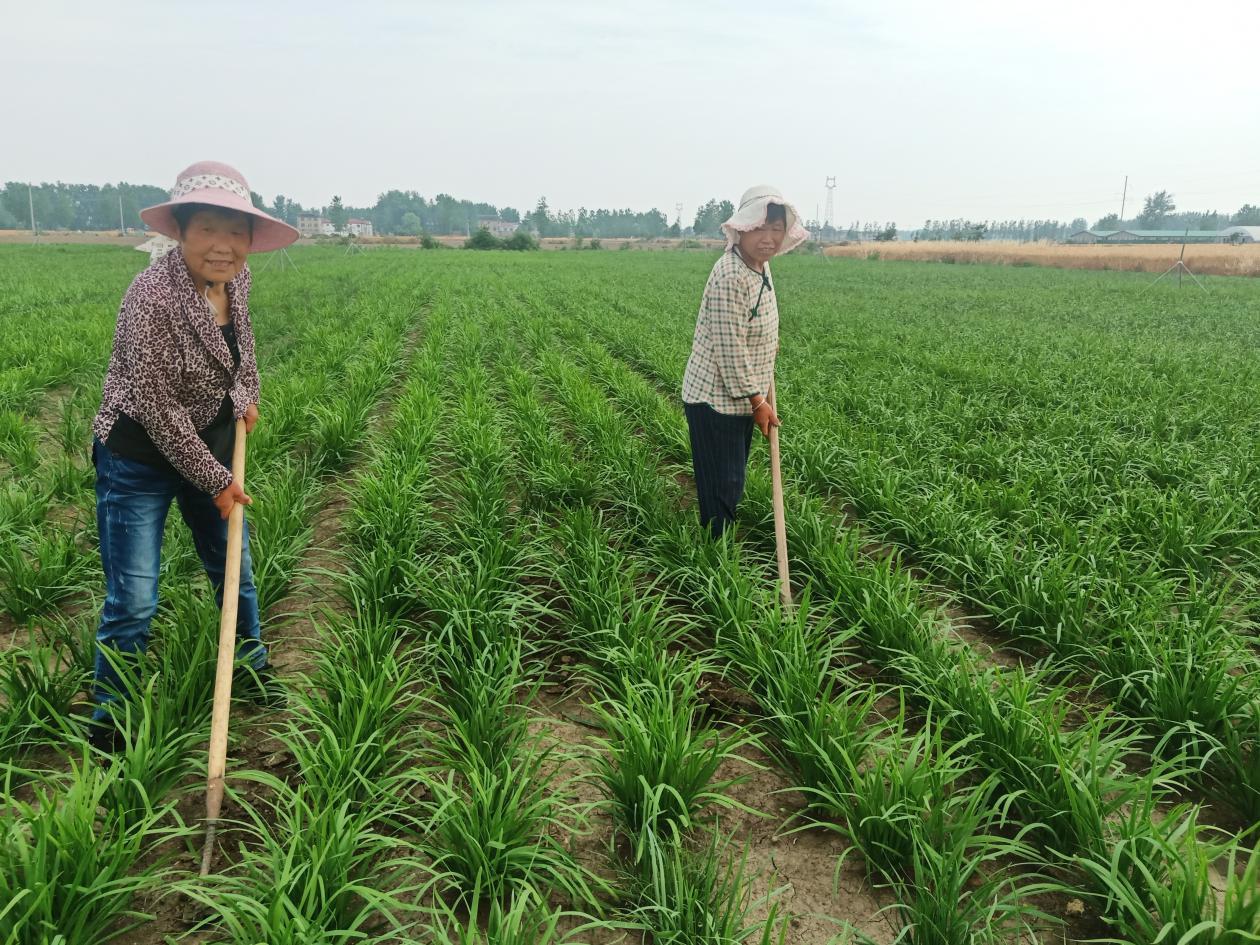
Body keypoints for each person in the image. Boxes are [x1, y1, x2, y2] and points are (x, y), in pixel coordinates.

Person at [88, 161, 298, 751]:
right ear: (181, 230)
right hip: (139, 457)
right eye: (208, 228)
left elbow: (244, 346)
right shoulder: (149, 298)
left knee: (235, 568)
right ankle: (110, 720)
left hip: (210, 437)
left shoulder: (239, 280)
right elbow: (157, 410)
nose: (223, 246)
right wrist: (215, 480)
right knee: (133, 597)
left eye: (236, 232)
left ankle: (251, 669)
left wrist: (246, 393)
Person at [681, 185, 808, 537]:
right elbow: (730, 348)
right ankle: (714, 551)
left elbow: (755, 318)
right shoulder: (730, 275)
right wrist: (758, 401)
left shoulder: (759, 267)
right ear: (743, 227)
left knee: (732, 474)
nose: (768, 238)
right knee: (722, 480)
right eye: (760, 228)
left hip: (741, 396)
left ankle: (719, 535)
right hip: (715, 398)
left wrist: (770, 343)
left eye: (776, 229)